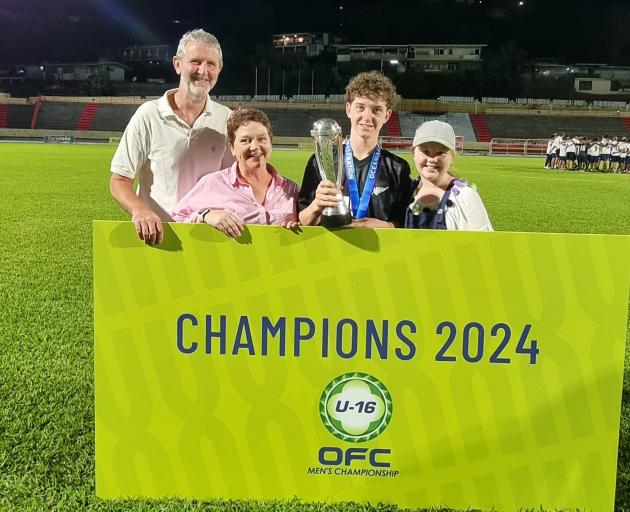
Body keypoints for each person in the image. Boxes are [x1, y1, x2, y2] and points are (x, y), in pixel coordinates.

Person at [109, 29, 234, 245]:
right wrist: (140, 210)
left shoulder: (227, 119)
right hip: (160, 239)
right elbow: (119, 179)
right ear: (178, 64)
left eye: (211, 64)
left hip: (210, 239)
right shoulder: (149, 114)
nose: (203, 71)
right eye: (195, 61)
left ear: (219, 69)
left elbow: (236, 183)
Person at [297, 71, 412, 228]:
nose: (367, 116)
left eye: (376, 109)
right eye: (360, 107)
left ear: (387, 115)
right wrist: (317, 204)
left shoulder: (398, 168)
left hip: (378, 251)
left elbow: (404, 224)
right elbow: (303, 220)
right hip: (331, 251)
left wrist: (386, 226)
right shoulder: (323, 161)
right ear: (348, 109)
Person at [172, 108, 299, 238]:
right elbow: (177, 218)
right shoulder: (213, 183)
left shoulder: (291, 189)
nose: (255, 146)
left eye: (261, 139)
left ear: (270, 144)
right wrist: (204, 215)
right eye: (245, 140)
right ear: (232, 148)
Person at [405, 120, 492, 231]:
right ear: (413, 153)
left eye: (441, 152)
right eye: (425, 151)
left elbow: (482, 244)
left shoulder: (465, 197)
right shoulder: (404, 192)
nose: (432, 159)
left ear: (452, 156)